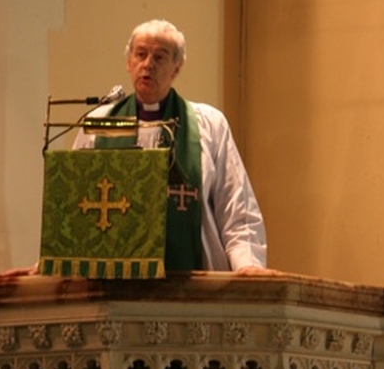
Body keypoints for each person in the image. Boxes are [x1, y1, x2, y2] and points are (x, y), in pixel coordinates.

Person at [72, 19, 267, 273]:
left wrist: (247, 266)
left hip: (193, 288)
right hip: (113, 286)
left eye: (160, 57)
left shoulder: (208, 124)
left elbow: (236, 208)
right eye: (140, 54)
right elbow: (73, 206)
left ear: (176, 68)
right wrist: (47, 262)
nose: (147, 65)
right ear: (128, 63)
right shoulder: (98, 124)